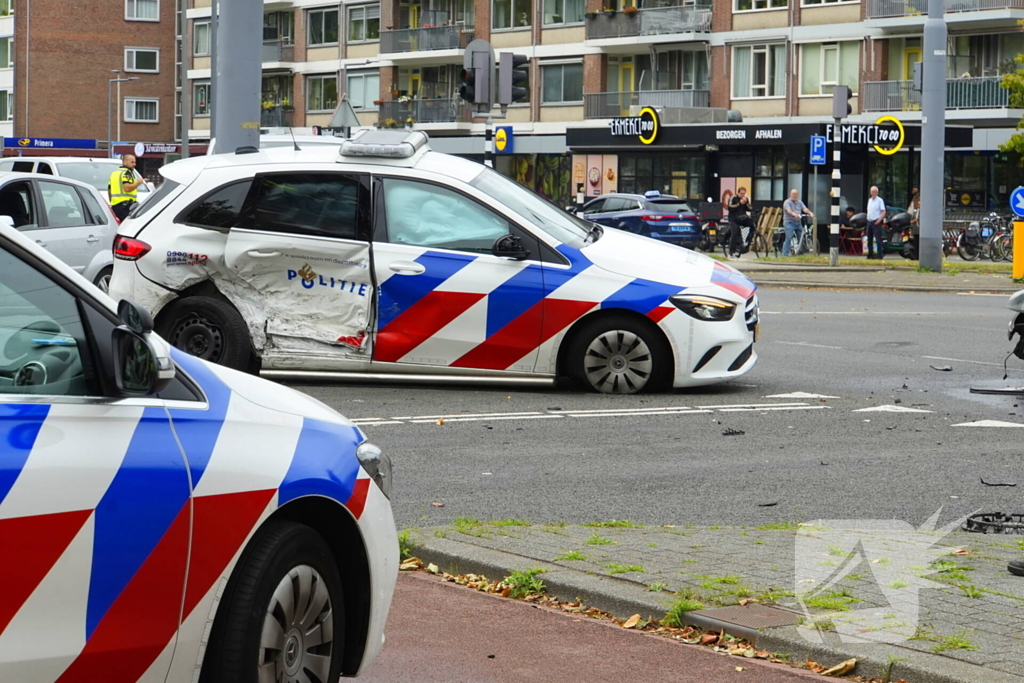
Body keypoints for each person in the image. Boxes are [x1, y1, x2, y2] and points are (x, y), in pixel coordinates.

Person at [108, 154, 143, 221]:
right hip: (126, 207)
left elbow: (109, 191)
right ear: (125, 162)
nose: (134, 164)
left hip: (115, 206)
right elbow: (127, 188)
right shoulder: (127, 173)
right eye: (132, 162)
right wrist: (138, 183)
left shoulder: (114, 173)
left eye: (135, 162)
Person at [782, 188, 813, 257]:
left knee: (801, 237)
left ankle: (800, 253)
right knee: (788, 237)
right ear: (790, 194)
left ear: (798, 195)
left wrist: (810, 213)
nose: (794, 195)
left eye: (796, 194)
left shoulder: (800, 202)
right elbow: (788, 210)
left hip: (798, 223)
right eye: (793, 194)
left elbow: (804, 209)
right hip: (789, 222)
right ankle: (784, 254)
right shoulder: (787, 202)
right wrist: (793, 214)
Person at [727, 187, 752, 258]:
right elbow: (730, 207)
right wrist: (739, 203)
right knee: (735, 233)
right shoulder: (733, 198)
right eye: (741, 193)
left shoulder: (745, 199)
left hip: (742, 218)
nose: (742, 195)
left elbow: (750, 209)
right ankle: (731, 252)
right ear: (738, 193)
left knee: (753, 224)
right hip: (733, 219)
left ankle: (747, 241)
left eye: (744, 194)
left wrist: (746, 202)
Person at [866, 185, 887, 259]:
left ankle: (879, 255)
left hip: (876, 222)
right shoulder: (869, 200)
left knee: (878, 240)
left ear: (877, 193)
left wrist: (879, 221)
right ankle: (870, 254)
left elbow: (883, 211)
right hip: (869, 222)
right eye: (872, 192)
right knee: (869, 239)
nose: (873, 193)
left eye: (875, 192)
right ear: (870, 192)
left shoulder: (880, 200)